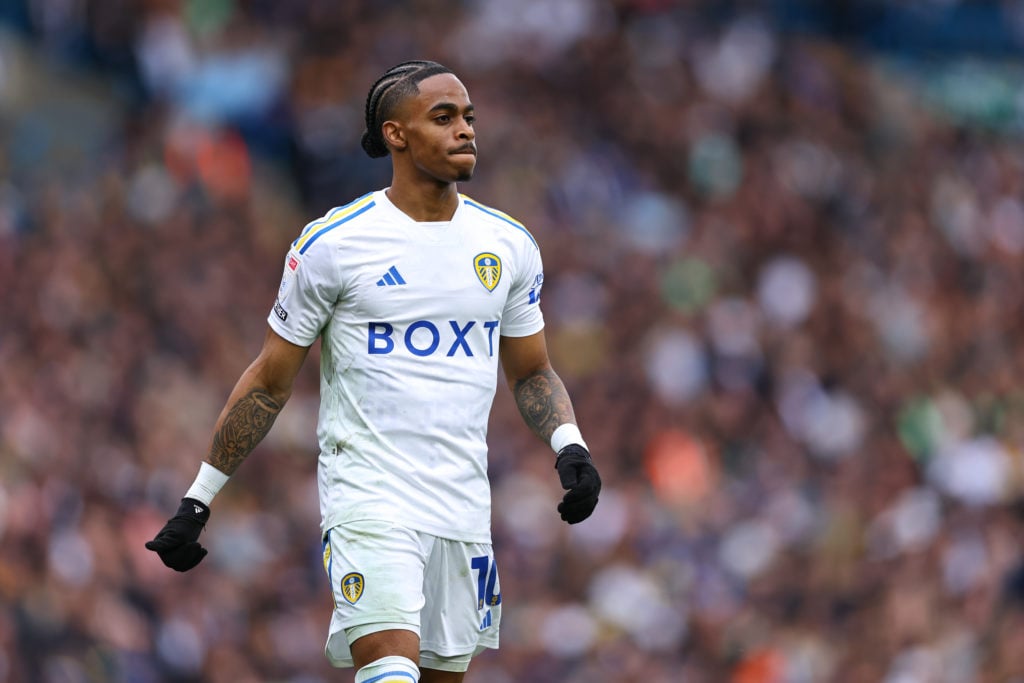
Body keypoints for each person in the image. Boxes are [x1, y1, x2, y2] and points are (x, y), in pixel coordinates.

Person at [145, 60, 601, 682]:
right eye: (443, 118)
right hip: (370, 500)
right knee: (390, 670)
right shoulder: (334, 244)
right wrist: (199, 498)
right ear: (396, 135)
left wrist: (568, 445)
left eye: (468, 117)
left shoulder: (509, 245)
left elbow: (531, 371)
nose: (465, 130)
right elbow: (270, 380)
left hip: (463, 507)